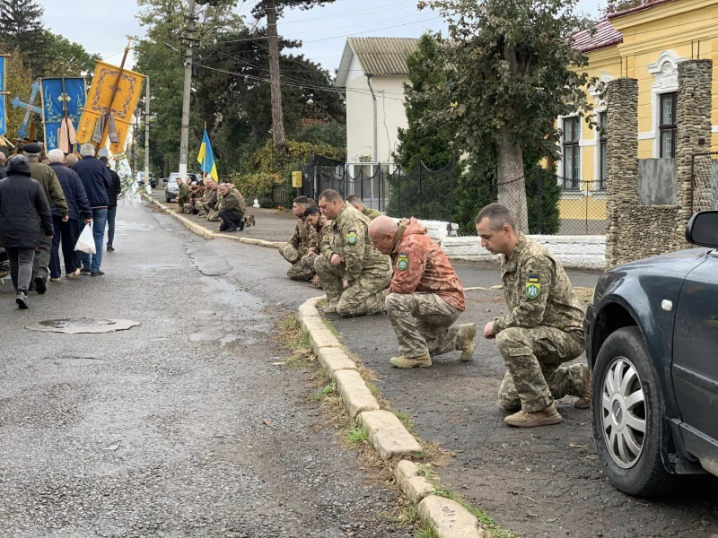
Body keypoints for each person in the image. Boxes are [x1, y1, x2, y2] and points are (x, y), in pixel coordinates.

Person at [475, 203, 589, 428]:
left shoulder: (533, 259)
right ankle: (579, 380)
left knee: (508, 338)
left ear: (506, 230)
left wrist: (496, 326)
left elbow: (530, 314)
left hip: (568, 335)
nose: (482, 243)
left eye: (487, 236)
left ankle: (542, 410)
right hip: (542, 334)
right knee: (509, 399)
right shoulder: (509, 257)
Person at [368, 215, 475, 368]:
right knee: (417, 343)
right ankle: (462, 337)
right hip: (441, 300)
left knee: (393, 301)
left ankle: (417, 356)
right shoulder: (404, 242)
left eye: (375, 242)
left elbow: (403, 285)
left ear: (388, 237)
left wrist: (388, 295)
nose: (374, 247)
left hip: (446, 303)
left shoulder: (410, 245)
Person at [314, 189, 391, 316]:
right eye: (320, 208)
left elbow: (354, 256)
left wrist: (349, 279)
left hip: (375, 271)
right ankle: (335, 301)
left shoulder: (350, 219)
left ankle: (386, 299)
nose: (321, 211)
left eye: (324, 207)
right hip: (357, 268)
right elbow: (324, 242)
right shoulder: (335, 219)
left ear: (334, 203)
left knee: (346, 308)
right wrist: (332, 255)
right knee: (320, 262)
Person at [0, 155, 54, 308]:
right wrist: (49, 230)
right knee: (26, 260)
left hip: (7, 228)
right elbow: (44, 210)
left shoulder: (1, 185)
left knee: (13, 261)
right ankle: (22, 292)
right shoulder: (34, 185)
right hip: (29, 228)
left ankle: (19, 290)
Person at [23, 142, 68, 293]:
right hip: (42, 216)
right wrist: (64, 211)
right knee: (43, 247)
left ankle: (26, 281)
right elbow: (57, 193)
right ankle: (41, 274)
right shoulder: (47, 170)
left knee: (25, 248)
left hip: (21, 217)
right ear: (40, 155)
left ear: (24, 154)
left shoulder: (16, 169)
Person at [47, 149, 92, 280]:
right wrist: (88, 213)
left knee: (52, 244)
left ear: (49, 160)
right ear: (63, 160)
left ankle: (54, 274)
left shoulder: (46, 172)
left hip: (50, 214)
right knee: (70, 242)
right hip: (70, 213)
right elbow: (81, 195)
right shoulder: (71, 173)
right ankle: (71, 270)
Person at [73, 143, 111, 276]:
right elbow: (108, 182)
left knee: (83, 234)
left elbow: (74, 185)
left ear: (81, 154)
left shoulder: (77, 165)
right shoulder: (101, 165)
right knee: (98, 236)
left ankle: (86, 265)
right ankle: (95, 268)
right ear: (94, 153)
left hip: (83, 206)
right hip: (100, 204)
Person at [280, 196, 319, 281]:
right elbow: (294, 239)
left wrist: (311, 251)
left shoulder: (313, 222)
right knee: (284, 248)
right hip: (304, 254)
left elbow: (314, 242)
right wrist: (289, 246)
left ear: (302, 208)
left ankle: (312, 272)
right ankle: (302, 267)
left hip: (311, 255)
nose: (292, 209)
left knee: (291, 274)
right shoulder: (300, 223)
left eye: (294, 207)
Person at [99, 156, 122, 251]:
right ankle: (110, 243)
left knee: (100, 224)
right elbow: (118, 189)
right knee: (111, 224)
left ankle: (98, 243)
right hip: (112, 204)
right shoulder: (114, 174)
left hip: (101, 203)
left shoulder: (99, 175)